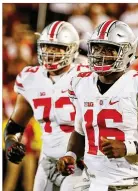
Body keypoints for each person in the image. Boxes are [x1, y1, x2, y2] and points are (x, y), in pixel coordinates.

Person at [57, 20, 138, 191]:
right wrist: (71, 155)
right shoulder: (81, 83)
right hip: (91, 181)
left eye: (108, 49)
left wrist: (128, 147)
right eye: (97, 48)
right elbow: (80, 131)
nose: (100, 54)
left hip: (129, 183)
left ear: (126, 53)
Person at [4, 21, 89, 191]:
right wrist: (11, 143)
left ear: (72, 49)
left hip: (81, 162)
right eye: (47, 47)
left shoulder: (87, 76)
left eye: (57, 48)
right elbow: (15, 126)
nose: (50, 53)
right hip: (47, 160)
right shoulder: (31, 78)